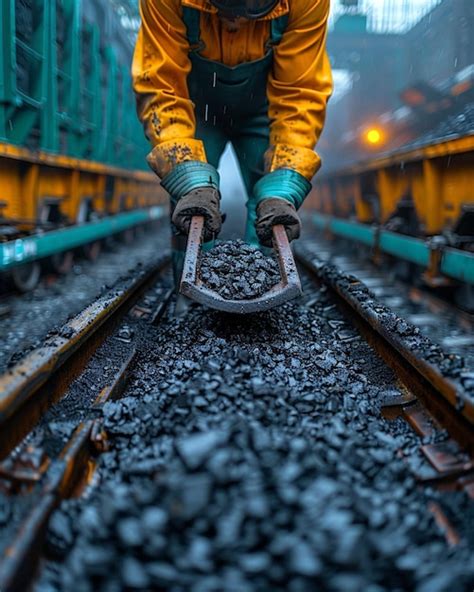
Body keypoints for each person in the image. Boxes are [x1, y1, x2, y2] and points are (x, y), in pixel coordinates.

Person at [132, 0, 333, 281]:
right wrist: (189, 179)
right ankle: (189, 294)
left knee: (271, 209)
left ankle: (266, 290)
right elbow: (162, 85)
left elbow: (299, 93)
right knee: (191, 207)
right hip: (194, 111)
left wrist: (284, 185)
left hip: (263, 113)